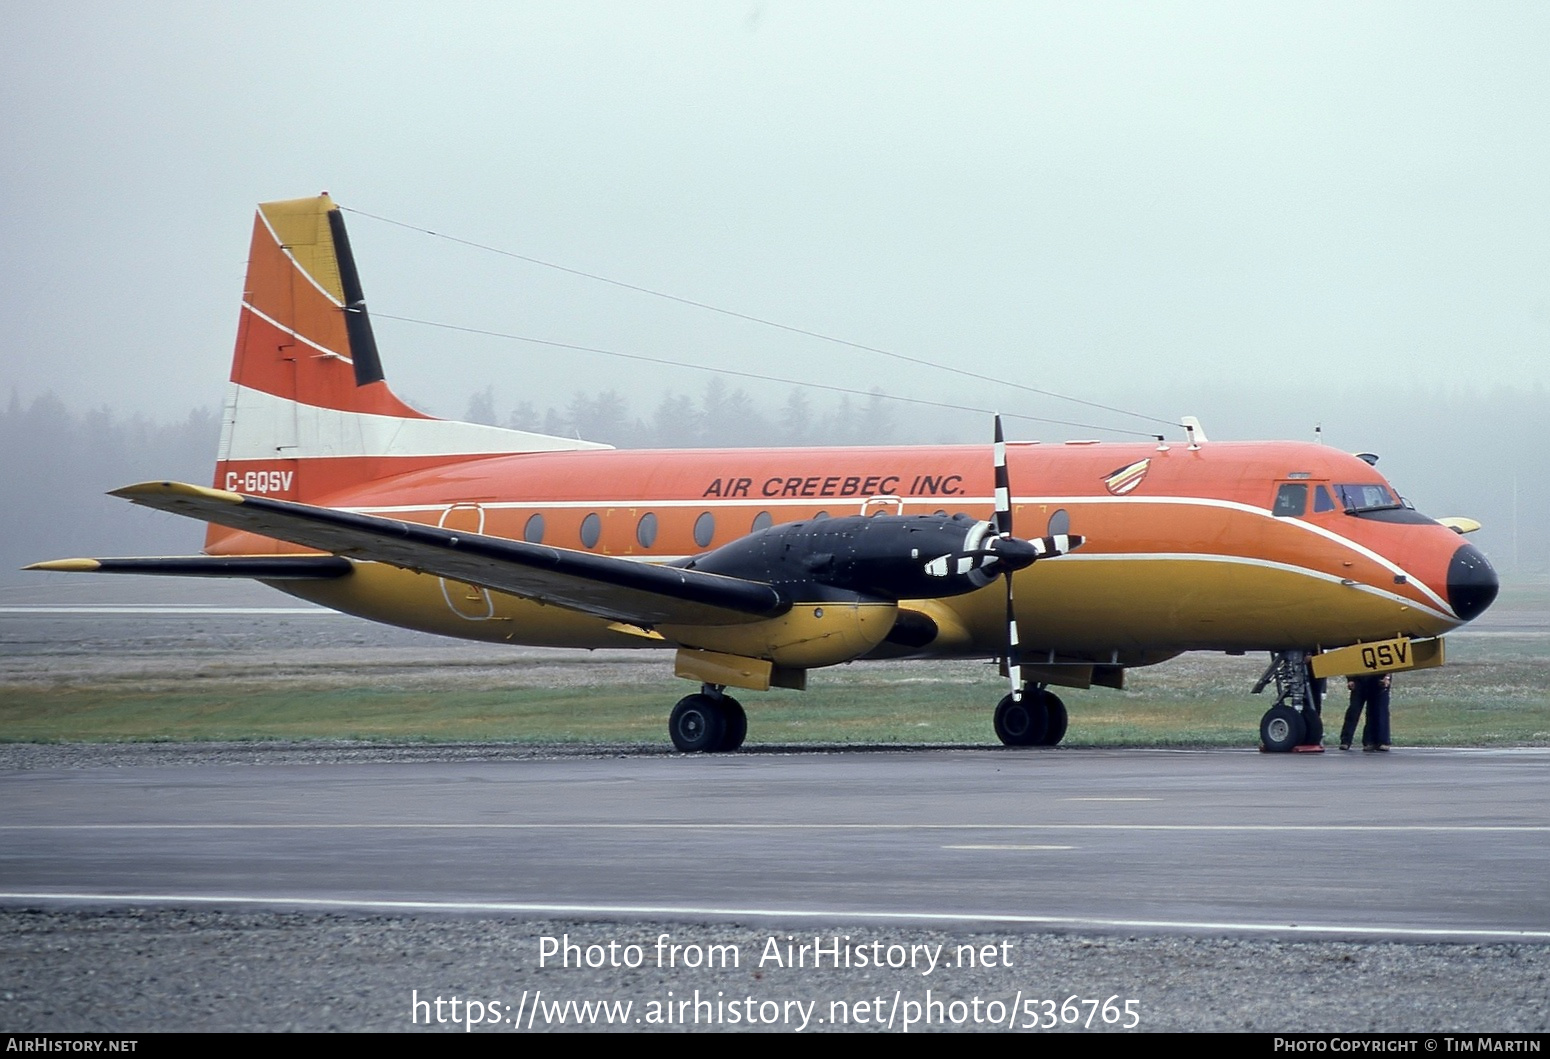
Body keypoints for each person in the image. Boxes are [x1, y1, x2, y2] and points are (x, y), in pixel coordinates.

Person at [1340, 673, 1391, 751]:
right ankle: (1346, 741)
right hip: (1359, 678)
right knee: (1354, 710)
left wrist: (1387, 677)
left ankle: (1377, 741)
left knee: (1378, 710)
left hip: (1378, 676)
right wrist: (1350, 679)